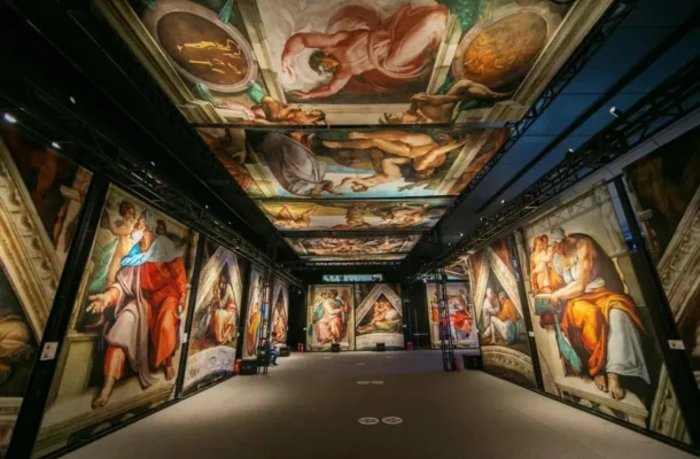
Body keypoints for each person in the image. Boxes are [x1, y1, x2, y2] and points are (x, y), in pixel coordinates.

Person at [86, 209, 187, 409]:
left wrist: (182, 296)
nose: (134, 228)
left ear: (147, 226)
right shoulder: (135, 254)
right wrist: (106, 298)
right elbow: (123, 285)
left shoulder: (163, 246)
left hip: (167, 297)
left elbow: (178, 272)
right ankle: (107, 387)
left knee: (166, 324)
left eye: (138, 223)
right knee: (123, 324)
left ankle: (167, 362)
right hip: (143, 301)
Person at [537, 228, 650, 400]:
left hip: (599, 292)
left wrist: (557, 295)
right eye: (552, 247)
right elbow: (557, 285)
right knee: (591, 314)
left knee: (619, 313)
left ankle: (615, 373)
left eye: (557, 246)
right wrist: (550, 293)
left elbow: (581, 285)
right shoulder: (556, 258)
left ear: (564, 240)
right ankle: (598, 369)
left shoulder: (583, 245)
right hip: (576, 300)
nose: (556, 251)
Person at [280, 5, 448, 100]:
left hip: (388, 37)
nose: (328, 69)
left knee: (431, 20)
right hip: (389, 61)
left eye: (323, 65)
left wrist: (287, 56)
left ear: (322, 56)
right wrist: (310, 95)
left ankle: (436, 25)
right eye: (324, 71)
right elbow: (331, 89)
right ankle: (435, 27)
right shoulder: (343, 73)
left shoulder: (334, 44)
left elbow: (303, 39)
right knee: (396, 58)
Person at [381, 78, 513, 124]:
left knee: (464, 84)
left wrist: (413, 99)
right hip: (441, 119)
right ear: (391, 122)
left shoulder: (406, 114)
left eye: (390, 113)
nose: (393, 114)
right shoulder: (406, 125)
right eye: (390, 116)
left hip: (443, 108)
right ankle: (461, 98)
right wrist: (417, 100)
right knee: (421, 102)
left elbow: (413, 105)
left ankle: (495, 95)